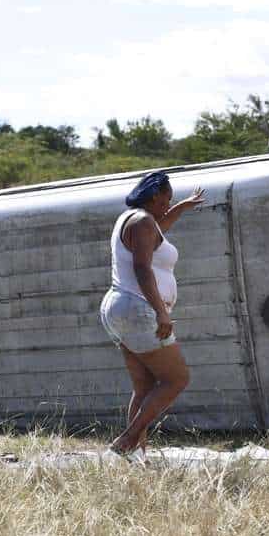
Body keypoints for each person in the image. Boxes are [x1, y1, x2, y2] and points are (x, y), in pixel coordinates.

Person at [99, 172, 205, 456]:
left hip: (120, 308)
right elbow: (143, 269)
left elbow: (160, 229)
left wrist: (182, 208)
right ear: (154, 195)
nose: (167, 206)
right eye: (166, 200)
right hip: (138, 309)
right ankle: (125, 442)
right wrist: (161, 313)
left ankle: (137, 455)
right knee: (176, 379)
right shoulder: (143, 221)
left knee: (144, 386)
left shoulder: (133, 219)